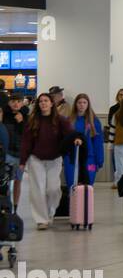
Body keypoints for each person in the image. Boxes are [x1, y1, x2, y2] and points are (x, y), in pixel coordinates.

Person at [19, 93, 70, 230]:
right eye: (41, 101)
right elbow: (26, 142)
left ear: (52, 103)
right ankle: (41, 220)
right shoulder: (32, 121)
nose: (43, 103)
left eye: (46, 101)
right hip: (36, 159)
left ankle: (50, 212)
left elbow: (70, 135)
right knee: (38, 190)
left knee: (53, 189)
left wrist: (77, 140)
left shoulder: (61, 120)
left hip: (55, 159)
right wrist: (23, 160)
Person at [63, 94, 104, 190]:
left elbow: (98, 142)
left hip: (90, 159)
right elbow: (64, 140)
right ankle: (72, 204)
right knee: (72, 185)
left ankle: (86, 204)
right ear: (76, 104)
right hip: (71, 158)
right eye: (79, 102)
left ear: (88, 104)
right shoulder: (69, 121)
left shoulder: (95, 121)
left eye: (84, 102)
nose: (82, 105)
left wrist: (99, 160)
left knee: (88, 184)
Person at [4, 93, 29, 208]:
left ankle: (15, 207)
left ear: (22, 103)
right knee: (6, 182)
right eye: (13, 101)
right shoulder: (4, 115)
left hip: (20, 155)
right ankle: (7, 206)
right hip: (6, 154)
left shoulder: (26, 117)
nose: (15, 103)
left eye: (18, 101)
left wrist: (21, 122)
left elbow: (28, 135)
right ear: (9, 103)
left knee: (18, 181)